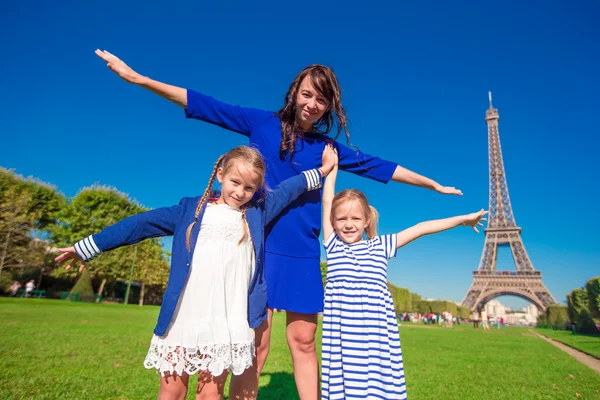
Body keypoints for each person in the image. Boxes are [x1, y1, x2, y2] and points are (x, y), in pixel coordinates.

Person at [95, 50, 463, 399]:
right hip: (257, 247)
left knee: (303, 342)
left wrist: (431, 184)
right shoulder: (262, 123)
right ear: (294, 92)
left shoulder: (326, 148)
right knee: (256, 342)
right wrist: (140, 79)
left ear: (328, 107)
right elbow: (204, 105)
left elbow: (378, 166)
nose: (311, 104)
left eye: (321, 101)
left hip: (302, 251)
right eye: (306, 94)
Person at [54, 145, 337, 400]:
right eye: (235, 182)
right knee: (172, 390)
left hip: (225, 319)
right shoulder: (190, 210)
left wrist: (323, 171)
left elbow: (291, 187)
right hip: (184, 315)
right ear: (220, 174)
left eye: (249, 188)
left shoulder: (256, 213)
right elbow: (139, 225)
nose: (240, 192)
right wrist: (87, 247)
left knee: (210, 392)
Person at [320, 155, 486, 399]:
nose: (348, 224)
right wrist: (332, 168)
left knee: (376, 384)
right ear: (333, 222)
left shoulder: (381, 246)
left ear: (367, 221)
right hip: (344, 336)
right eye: (341, 218)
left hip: (376, 334)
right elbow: (326, 201)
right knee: (347, 383)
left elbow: (420, 228)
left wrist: (463, 220)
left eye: (355, 218)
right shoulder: (332, 246)